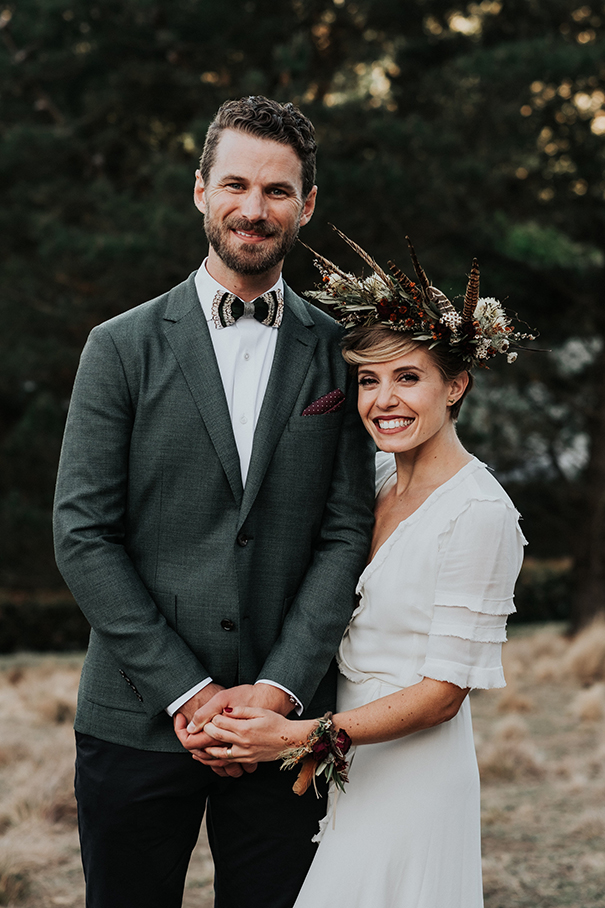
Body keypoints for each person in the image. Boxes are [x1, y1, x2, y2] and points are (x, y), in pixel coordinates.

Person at [53, 99, 375, 908]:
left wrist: (276, 692)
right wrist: (191, 695)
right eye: (235, 184)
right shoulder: (118, 347)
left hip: (285, 724)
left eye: (276, 191)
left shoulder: (341, 353)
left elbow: (345, 534)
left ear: (306, 204)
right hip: (136, 715)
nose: (252, 209)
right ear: (200, 190)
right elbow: (82, 535)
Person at [188, 233, 533, 907]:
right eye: (369, 381)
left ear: (455, 386)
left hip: (414, 778)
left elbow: (443, 695)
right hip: (347, 768)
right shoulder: (372, 480)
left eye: (408, 378)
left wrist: (295, 737)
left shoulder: (479, 513)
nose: (383, 400)